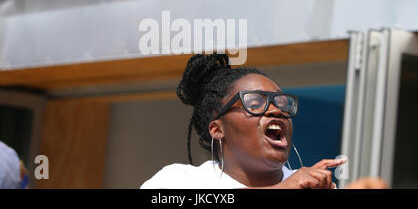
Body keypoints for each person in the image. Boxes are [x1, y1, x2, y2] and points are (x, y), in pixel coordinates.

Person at [141, 53, 387, 189]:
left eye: (281, 103)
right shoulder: (180, 182)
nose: (276, 111)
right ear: (218, 129)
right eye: (255, 103)